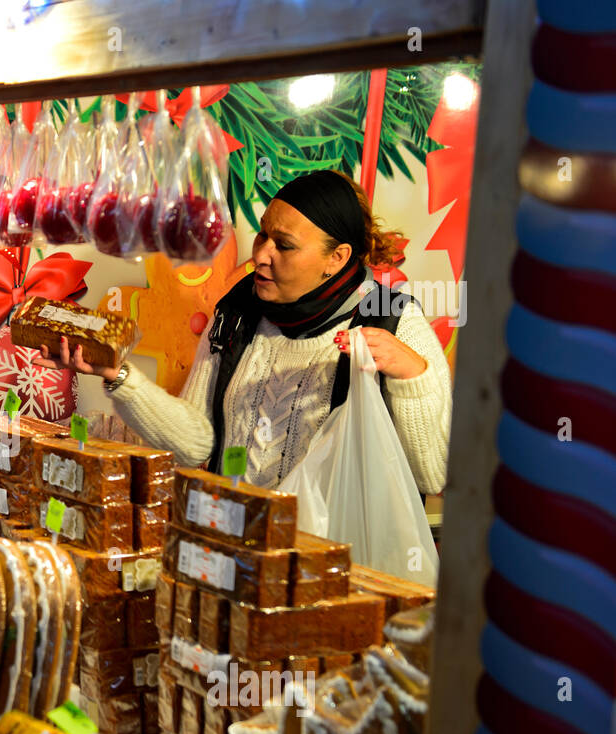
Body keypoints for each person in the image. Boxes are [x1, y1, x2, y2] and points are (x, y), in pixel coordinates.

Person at [36, 169, 452, 495]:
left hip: (335, 570)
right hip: (236, 550)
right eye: (263, 234)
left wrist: (414, 378)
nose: (261, 255)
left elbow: (430, 477)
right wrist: (119, 377)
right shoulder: (238, 310)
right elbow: (198, 443)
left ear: (336, 258)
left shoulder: (392, 322)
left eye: (283, 245)